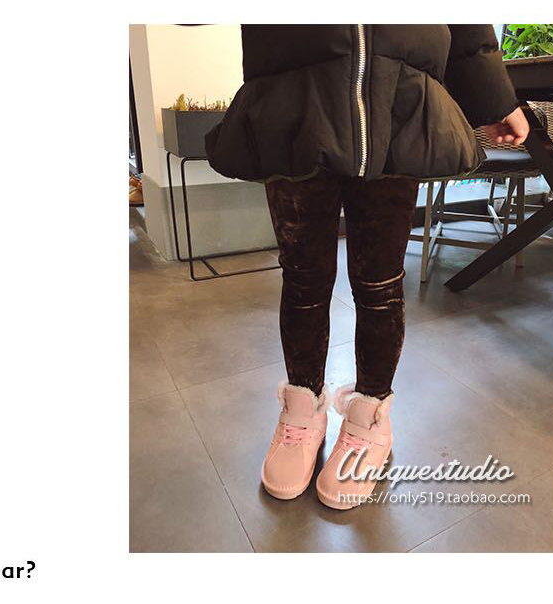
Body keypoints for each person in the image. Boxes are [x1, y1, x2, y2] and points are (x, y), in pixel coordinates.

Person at [204, 24, 529, 509]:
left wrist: (492, 96)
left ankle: (370, 415)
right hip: (293, 97)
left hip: (399, 98)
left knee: (380, 284)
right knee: (302, 278)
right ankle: (302, 409)